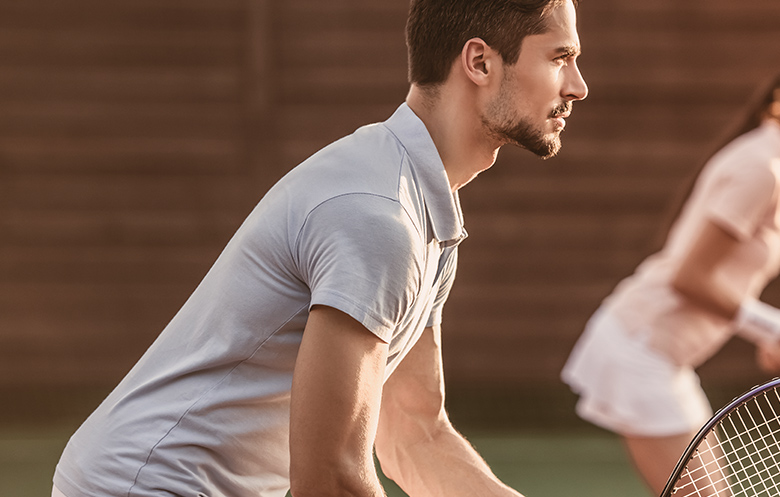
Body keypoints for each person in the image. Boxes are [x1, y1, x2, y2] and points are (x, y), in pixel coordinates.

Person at [52, 1, 586, 496]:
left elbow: (413, 433)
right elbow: (329, 481)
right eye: (561, 57)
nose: (580, 87)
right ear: (479, 62)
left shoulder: (420, 205)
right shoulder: (379, 217)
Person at [561, 33, 780, 494]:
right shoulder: (762, 168)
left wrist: (764, 331)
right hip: (639, 351)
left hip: (663, 361)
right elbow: (687, 277)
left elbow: (720, 281)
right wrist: (778, 328)